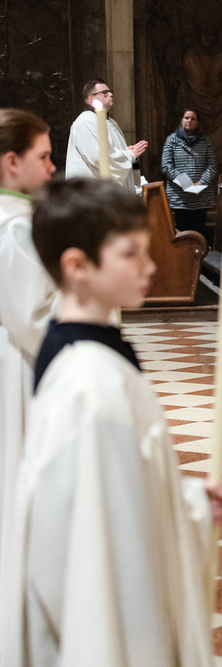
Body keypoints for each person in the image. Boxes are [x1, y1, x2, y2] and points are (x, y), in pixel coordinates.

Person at [2, 178, 222, 667]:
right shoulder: (92, 388)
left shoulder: (83, 357)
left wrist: (189, 501)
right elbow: (100, 573)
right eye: (131, 254)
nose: (150, 266)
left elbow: (117, 503)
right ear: (77, 266)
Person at [0, 109, 58, 582]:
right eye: (44, 156)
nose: (53, 167)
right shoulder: (14, 229)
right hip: (17, 363)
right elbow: (31, 318)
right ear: (12, 162)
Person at [65, 79, 148, 191]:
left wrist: (129, 154)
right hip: (93, 192)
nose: (110, 94)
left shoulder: (111, 122)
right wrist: (129, 155)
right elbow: (99, 156)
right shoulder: (86, 122)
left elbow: (113, 152)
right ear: (91, 99)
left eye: (110, 91)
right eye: (104, 92)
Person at [161, 109, 218, 240]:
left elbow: (212, 165)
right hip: (180, 197)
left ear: (197, 123)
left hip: (201, 196)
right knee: (183, 232)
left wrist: (201, 182)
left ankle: (199, 253)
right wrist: (185, 184)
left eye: (193, 119)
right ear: (182, 120)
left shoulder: (205, 141)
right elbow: (166, 165)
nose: (189, 121)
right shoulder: (172, 140)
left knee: (199, 233)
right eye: (186, 118)